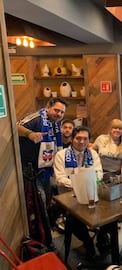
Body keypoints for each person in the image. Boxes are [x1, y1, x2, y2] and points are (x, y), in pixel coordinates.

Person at [17, 97, 68, 250]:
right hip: (31, 171)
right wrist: (29, 135)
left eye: (62, 112)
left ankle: (47, 231)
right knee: (40, 205)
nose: (59, 114)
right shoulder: (37, 118)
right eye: (56, 110)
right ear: (48, 107)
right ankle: (47, 242)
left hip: (46, 171)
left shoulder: (56, 125)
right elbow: (15, 126)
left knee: (49, 203)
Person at [53, 126, 103, 259]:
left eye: (85, 139)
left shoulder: (93, 154)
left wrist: (89, 182)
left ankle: (103, 240)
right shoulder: (61, 155)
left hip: (91, 193)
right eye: (78, 138)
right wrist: (79, 183)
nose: (81, 142)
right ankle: (88, 243)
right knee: (74, 219)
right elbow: (60, 178)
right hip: (68, 196)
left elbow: (99, 173)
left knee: (106, 213)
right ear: (72, 139)